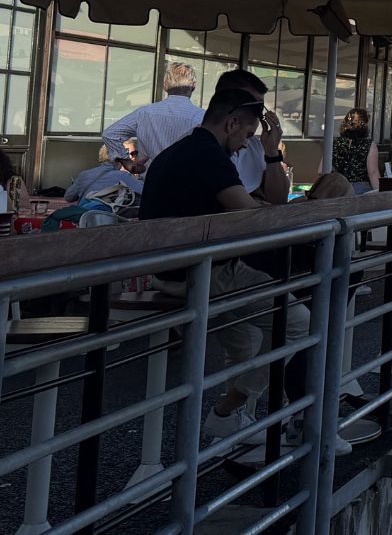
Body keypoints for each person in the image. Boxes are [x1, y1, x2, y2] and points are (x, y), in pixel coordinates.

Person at [139, 88, 316, 448]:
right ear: (232, 122)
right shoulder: (209, 157)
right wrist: (272, 160)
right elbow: (252, 215)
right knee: (297, 322)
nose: (242, 145)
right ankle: (227, 411)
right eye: (246, 135)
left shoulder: (179, 151)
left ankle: (239, 426)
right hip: (204, 272)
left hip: (167, 270)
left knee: (246, 343)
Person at [103, 62, 202, 168]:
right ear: (193, 86)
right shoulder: (202, 117)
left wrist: (127, 162)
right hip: (189, 181)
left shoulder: (144, 113)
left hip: (149, 181)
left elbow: (110, 134)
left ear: (165, 85)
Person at [213, 70, 290, 201]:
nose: (258, 116)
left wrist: (272, 152)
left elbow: (279, 199)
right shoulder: (201, 147)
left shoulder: (255, 145)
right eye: (252, 107)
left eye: (260, 109)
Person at [327, 108, 380, 194]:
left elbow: (321, 169)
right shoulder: (369, 145)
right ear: (365, 124)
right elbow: (373, 173)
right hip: (361, 189)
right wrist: (379, 193)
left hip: (338, 188)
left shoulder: (334, 143)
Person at [67, 144, 143, 203]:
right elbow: (147, 192)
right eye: (128, 154)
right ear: (119, 158)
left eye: (134, 154)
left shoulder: (84, 175)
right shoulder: (124, 176)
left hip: (85, 218)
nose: (132, 158)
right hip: (108, 219)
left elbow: (68, 197)